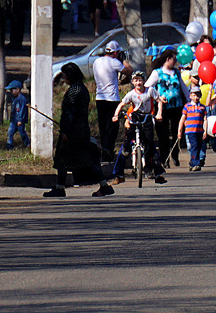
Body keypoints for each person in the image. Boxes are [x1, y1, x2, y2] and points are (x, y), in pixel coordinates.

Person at [44, 63, 114, 198]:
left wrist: (66, 130)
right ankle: (61, 187)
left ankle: (103, 186)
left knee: (72, 159)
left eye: (65, 75)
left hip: (73, 131)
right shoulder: (82, 89)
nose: (63, 78)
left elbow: (70, 113)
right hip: (81, 129)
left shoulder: (74, 91)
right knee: (77, 159)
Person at [111, 70, 167, 184]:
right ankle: (118, 174)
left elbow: (159, 100)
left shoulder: (150, 91)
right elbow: (123, 106)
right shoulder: (131, 96)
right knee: (125, 147)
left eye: (140, 80)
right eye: (135, 80)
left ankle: (155, 173)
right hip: (135, 121)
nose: (138, 83)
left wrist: (159, 113)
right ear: (132, 82)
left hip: (147, 119)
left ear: (144, 81)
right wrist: (117, 116)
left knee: (150, 145)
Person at [147, 49, 186, 168]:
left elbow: (183, 87)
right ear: (168, 59)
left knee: (176, 132)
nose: (175, 62)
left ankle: (175, 155)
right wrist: (158, 97)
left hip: (177, 106)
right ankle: (165, 158)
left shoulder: (176, 72)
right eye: (174, 59)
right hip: (162, 108)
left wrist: (190, 101)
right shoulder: (157, 73)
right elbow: (148, 87)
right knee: (162, 134)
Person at [92, 41, 130, 161]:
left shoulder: (97, 61)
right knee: (112, 126)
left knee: (103, 125)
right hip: (112, 98)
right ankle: (108, 149)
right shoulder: (114, 62)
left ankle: (104, 148)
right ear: (115, 52)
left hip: (100, 97)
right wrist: (123, 60)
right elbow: (129, 71)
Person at [180, 87, 205, 171]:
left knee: (198, 147)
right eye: (194, 95)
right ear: (190, 96)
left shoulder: (202, 107)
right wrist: (179, 130)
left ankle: (192, 162)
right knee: (194, 146)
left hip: (199, 130)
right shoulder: (187, 106)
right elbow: (183, 119)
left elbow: (205, 119)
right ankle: (196, 163)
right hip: (190, 131)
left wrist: (205, 130)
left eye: (198, 95)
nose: (196, 97)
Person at [5, 80, 29, 149]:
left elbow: (22, 110)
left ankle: (27, 144)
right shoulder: (15, 99)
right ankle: (9, 146)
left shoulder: (22, 99)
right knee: (10, 132)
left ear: (18, 90)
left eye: (12, 90)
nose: (11, 92)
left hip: (19, 121)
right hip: (14, 120)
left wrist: (21, 120)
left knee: (22, 133)